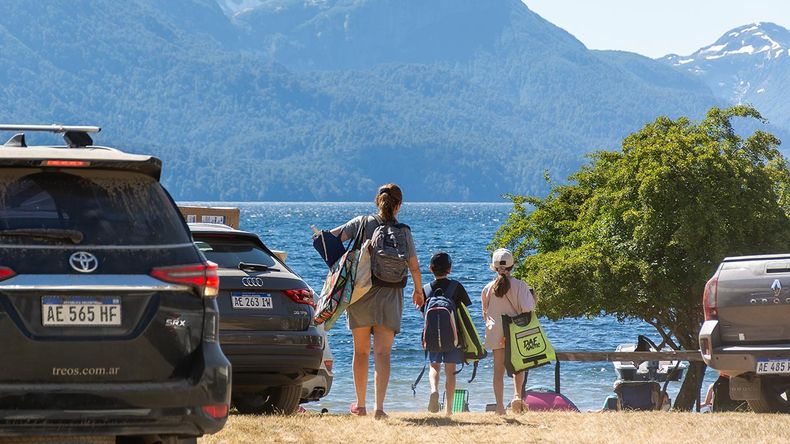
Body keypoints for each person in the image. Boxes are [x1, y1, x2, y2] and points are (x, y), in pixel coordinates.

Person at [330, 183, 423, 419]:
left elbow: (330, 238)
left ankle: (360, 406)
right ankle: (379, 409)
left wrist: (343, 265)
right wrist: (418, 290)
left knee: (360, 353)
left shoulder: (361, 222)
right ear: (399, 205)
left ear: (377, 201)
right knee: (383, 354)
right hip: (391, 295)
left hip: (360, 294)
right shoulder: (404, 231)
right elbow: (413, 265)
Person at [481, 248, 535, 415]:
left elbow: (485, 312)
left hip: (496, 330)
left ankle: (499, 407)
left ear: (494, 267)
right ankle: (517, 395)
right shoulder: (520, 285)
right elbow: (528, 308)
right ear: (512, 266)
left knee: (498, 370)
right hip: (516, 330)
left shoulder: (488, 288)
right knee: (519, 366)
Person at [422, 252, 472, 416]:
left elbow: (424, 314)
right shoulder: (456, 287)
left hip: (432, 336)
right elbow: (465, 312)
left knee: (434, 367)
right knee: (450, 371)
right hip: (454, 336)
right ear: (449, 269)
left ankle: (434, 390)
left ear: (430, 269)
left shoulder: (426, 289)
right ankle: (449, 410)